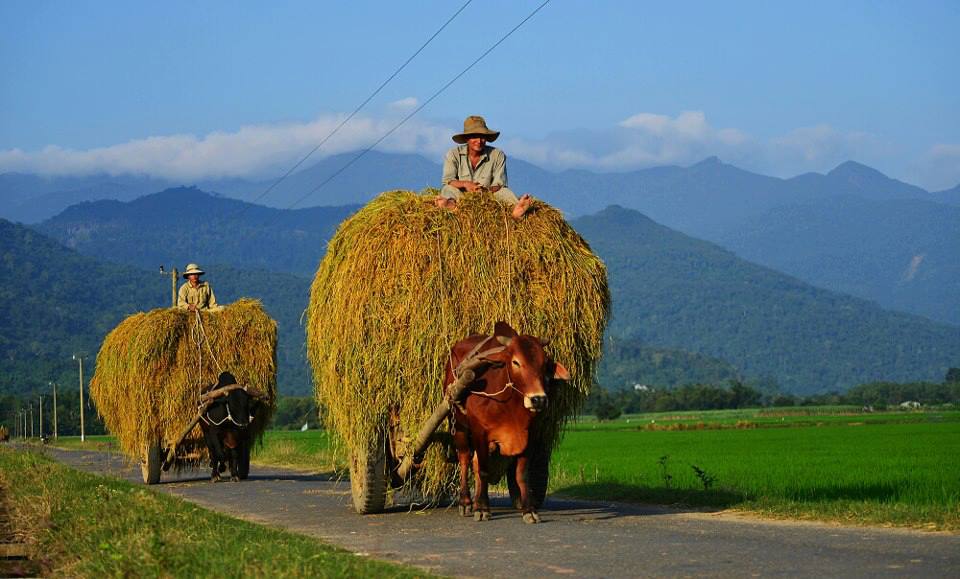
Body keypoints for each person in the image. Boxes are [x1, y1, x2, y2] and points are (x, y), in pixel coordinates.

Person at [437, 115, 533, 219]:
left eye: (482, 136)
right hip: (462, 196)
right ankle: (451, 205)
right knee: (448, 189)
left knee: (505, 192)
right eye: (474, 136)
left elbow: (500, 184)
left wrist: (484, 190)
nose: (479, 140)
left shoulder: (497, 155)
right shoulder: (453, 154)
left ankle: (516, 210)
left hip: (489, 196)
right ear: (466, 139)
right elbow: (448, 180)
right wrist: (465, 184)